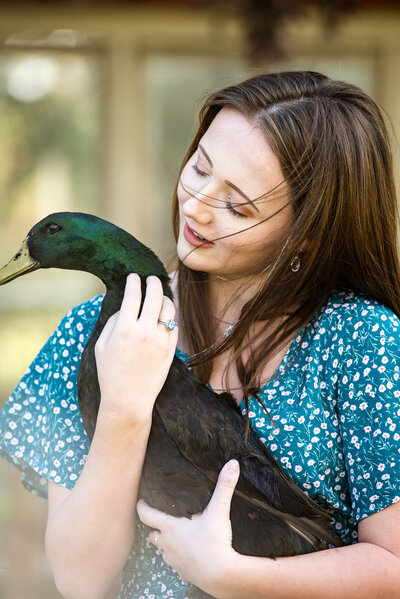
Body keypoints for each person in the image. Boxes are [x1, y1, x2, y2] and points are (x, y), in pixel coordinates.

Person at [1, 70, 400, 599]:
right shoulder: (86, 333)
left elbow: (393, 564)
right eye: (200, 168)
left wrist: (236, 577)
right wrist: (122, 408)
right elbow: (80, 579)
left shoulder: (364, 341)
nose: (195, 205)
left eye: (237, 204)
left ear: (307, 234)